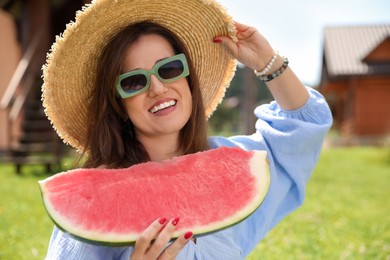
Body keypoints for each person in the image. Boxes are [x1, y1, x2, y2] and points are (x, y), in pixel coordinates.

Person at [41, 0, 332, 259]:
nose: (157, 88)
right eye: (133, 82)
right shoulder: (95, 199)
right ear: (119, 104)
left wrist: (268, 63)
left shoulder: (229, 163)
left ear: (188, 78)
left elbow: (304, 126)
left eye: (169, 69)